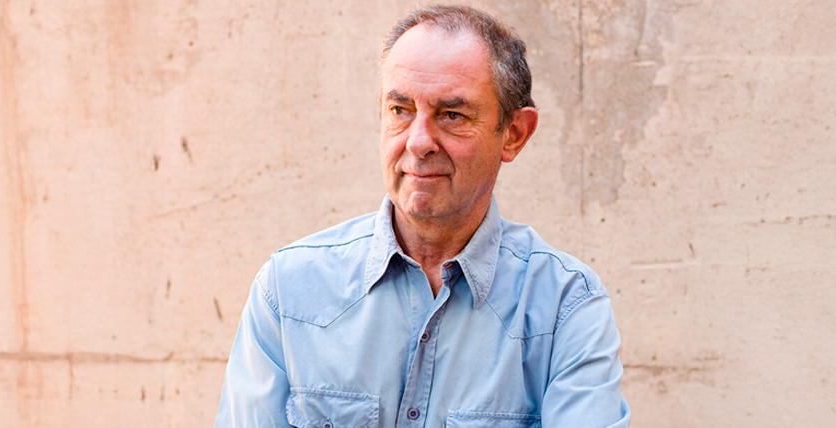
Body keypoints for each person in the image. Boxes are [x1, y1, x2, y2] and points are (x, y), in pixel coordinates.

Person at [215, 5, 630, 427]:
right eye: (400, 110)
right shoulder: (290, 291)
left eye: (452, 115)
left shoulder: (565, 308)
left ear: (514, 134)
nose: (418, 142)